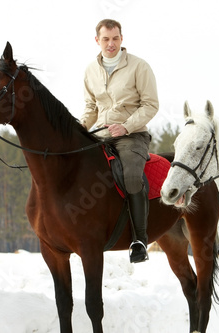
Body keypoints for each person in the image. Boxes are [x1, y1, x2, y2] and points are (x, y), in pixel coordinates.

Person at [80, 19, 159, 263]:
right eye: (106, 39)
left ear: (122, 39)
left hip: (132, 135)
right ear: (97, 41)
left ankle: (139, 240)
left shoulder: (139, 66)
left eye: (115, 38)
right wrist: (78, 129)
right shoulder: (90, 70)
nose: (111, 43)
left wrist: (126, 126)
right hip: (100, 134)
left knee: (132, 176)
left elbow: (150, 104)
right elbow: (91, 107)